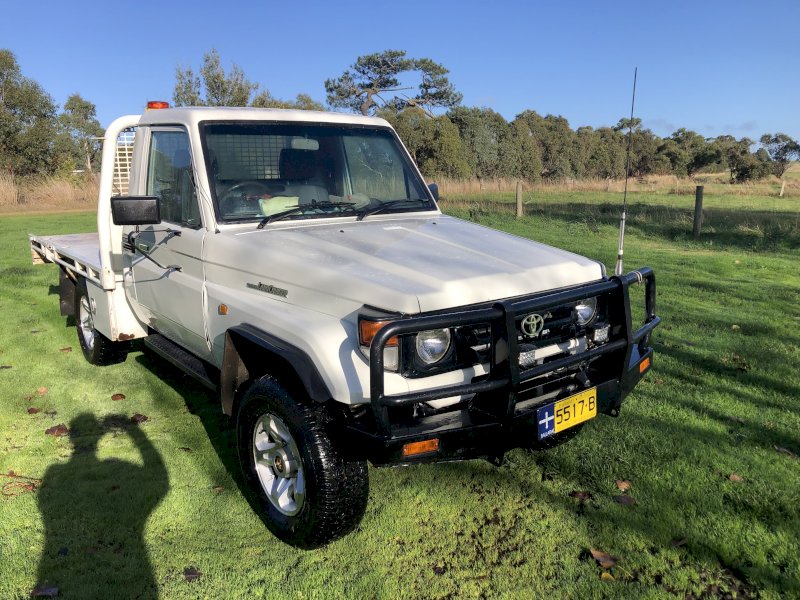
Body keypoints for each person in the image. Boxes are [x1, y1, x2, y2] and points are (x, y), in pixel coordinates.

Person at [34, 413, 168, 598]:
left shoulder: (54, 473)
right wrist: (135, 432)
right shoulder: (56, 473)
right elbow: (160, 482)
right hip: (131, 559)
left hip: (58, 561)